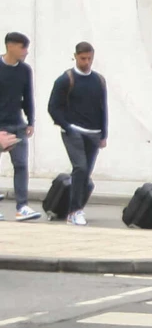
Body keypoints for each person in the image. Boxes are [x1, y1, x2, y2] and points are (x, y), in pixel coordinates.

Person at [47, 42, 108, 227]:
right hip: (74, 131)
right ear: (75, 56)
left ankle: (77, 209)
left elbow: (103, 108)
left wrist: (104, 134)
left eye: (90, 58)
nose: (87, 62)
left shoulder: (99, 80)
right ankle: (74, 211)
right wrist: (67, 126)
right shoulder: (66, 79)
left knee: (85, 175)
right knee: (80, 168)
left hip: (94, 133)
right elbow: (53, 107)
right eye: (83, 58)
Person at [0, 31, 40, 221]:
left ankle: (22, 206)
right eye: (22, 47)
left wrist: (30, 120)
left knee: (22, 165)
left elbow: (28, 96)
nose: (25, 52)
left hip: (17, 124)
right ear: (10, 46)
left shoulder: (25, 70)